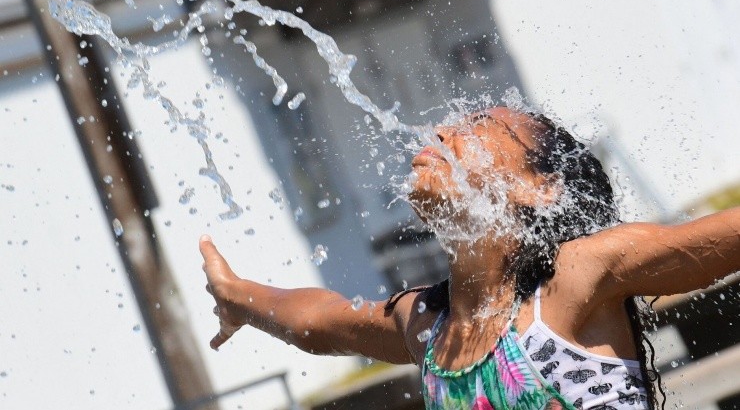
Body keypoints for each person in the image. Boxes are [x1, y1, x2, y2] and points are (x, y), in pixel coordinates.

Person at [199, 107, 740, 410]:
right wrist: (238, 299)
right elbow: (321, 322)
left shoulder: (573, 281)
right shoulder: (430, 327)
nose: (441, 131)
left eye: (479, 122)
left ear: (540, 188)